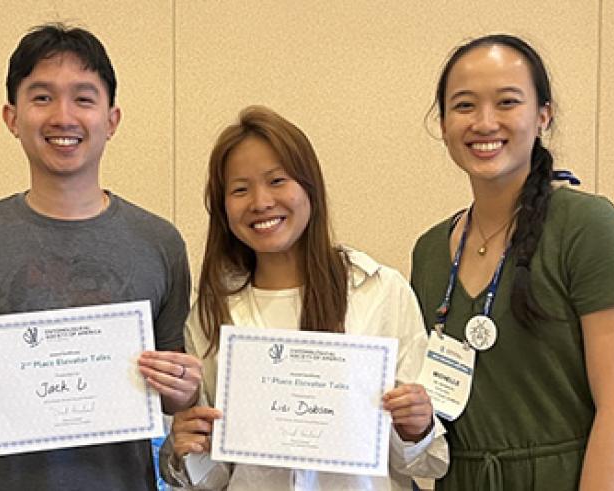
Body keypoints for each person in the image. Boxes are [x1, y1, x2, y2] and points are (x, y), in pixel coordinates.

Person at [0, 23, 198, 490]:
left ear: (112, 119)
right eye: (42, 97)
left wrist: (181, 388)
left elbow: (170, 393)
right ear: (11, 116)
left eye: (84, 99)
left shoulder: (159, 242)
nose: (63, 116)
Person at [160, 106, 449, 490]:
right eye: (240, 189)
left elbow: (426, 463)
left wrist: (417, 427)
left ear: (309, 187)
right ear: (223, 206)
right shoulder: (213, 313)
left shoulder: (379, 292)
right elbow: (214, 478)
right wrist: (188, 444)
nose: (261, 202)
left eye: (277, 180)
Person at [411, 34, 614, 490]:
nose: (484, 122)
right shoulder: (429, 251)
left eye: (507, 102)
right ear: (442, 123)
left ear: (543, 115)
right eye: (463, 106)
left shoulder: (586, 226)